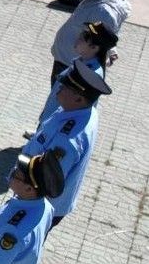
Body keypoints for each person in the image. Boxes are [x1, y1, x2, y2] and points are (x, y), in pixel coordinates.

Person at [20, 62, 110, 228]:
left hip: (38, 204)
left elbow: (47, 181)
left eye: (65, 87)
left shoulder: (67, 141)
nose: (59, 87)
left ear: (79, 98)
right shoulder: (77, 109)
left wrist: (23, 199)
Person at [48, 0, 131, 84]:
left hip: (72, 69)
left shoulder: (104, 11)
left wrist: (108, 50)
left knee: (59, 96)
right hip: (66, 61)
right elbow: (103, 34)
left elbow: (100, 43)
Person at [32, 20, 114, 128]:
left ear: (94, 47)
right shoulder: (81, 62)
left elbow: (77, 107)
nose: (77, 39)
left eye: (82, 38)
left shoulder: (89, 75)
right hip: (50, 121)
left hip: (56, 126)